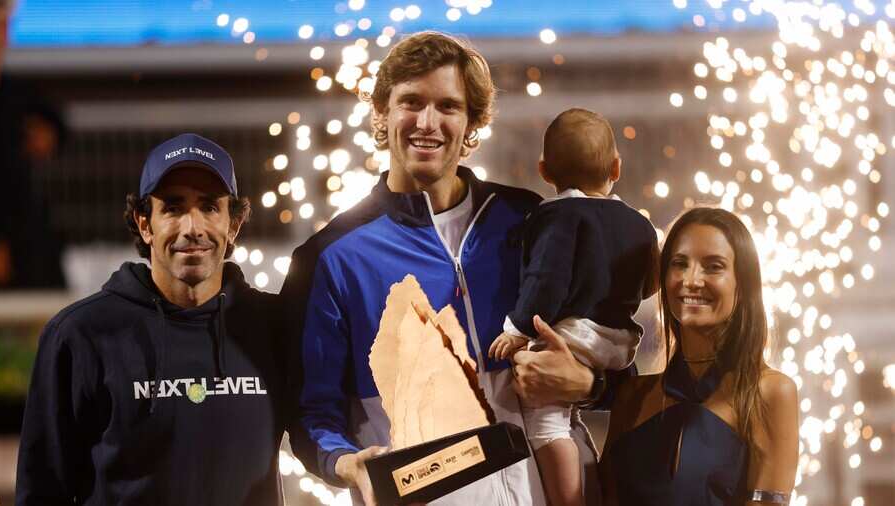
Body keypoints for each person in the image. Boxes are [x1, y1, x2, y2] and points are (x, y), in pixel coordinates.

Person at [281, 31, 606, 506]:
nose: (427, 122)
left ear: (472, 120)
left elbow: (610, 349)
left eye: (448, 106)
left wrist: (590, 385)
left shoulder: (532, 221)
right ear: (382, 111)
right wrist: (345, 463)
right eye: (411, 102)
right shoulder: (330, 257)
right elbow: (311, 415)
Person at [16, 133, 315, 505]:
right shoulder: (80, 335)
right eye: (173, 208)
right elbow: (42, 492)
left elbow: (320, 431)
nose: (193, 227)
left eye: (209, 207)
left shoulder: (274, 326)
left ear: (233, 224)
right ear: (145, 224)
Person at [488, 109, 658, 506]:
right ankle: (592, 484)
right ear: (616, 167)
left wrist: (517, 329)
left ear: (544, 171)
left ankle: (570, 499)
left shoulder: (556, 216)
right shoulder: (639, 224)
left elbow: (547, 278)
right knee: (571, 417)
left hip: (573, 335)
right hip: (618, 343)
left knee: (546, 424)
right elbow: (650, 284)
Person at [599, 207, 799, 506]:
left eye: (713, 266)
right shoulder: (632, 395)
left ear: (742, 284)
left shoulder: (771, 392)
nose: (691, 280)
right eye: (679, 264)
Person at [0, 0, 67, 289]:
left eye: (2, 26)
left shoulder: (18, 95)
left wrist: (48, 136)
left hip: (25, 238)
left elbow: (54, 126)